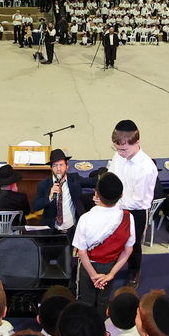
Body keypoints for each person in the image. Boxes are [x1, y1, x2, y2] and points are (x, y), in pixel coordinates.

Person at [71, 173, 134, 313]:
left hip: (88, 266)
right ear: (121, 195)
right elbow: (128, 250)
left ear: (96, 194)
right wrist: (111, 274)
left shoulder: (85, 218)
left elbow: (81, 252)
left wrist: (93, 275)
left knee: (86, 300)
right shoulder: (128, 218)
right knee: (103, 300)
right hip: (110, 266)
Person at [106, 119, 157, 285]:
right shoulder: (118, 155)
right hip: (116, 204)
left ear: (137, 142)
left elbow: (137, 201)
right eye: (117, 149)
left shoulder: (146, 168)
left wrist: (111, 200)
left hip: (136, 212)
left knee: (133, 244)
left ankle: (134, 272)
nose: (120, 153)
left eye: (123, 149)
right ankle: (112, 266)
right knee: (113, 237)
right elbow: (111, 176)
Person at [31, 148, 84, 235]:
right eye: (55, 165)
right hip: (51, 231)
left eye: (61, 165)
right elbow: (35, 206)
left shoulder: (74, 179)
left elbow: (92, 182)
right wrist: (49, 197)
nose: (58, 169)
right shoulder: (44, 184)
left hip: (72, 229)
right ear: (51, 168)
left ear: (67, 167)